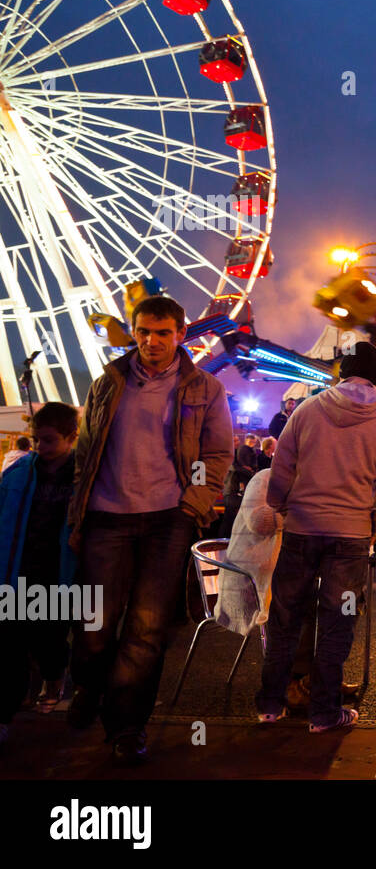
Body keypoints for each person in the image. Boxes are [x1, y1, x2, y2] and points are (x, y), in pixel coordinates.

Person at [67, 295, 233, 765]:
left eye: (162, 333)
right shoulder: (109, 383)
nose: (151, 341)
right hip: (106, 515)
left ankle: (126, 726)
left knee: (145, 629)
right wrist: (80, 505)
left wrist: (192, 504)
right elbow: (86, 449)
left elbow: (216, 454)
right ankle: (91, 684)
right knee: (94, 624)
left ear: (181, 334)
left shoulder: (204, 388)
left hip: (166, 519)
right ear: (134, 332)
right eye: (143, 332)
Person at [256, 340, 376, 734]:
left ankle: (271, 705)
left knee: (285, 618)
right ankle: (324, 713)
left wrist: (281, 503)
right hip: (350, 535)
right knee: (337, 622)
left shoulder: (307, 410)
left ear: (342, 374)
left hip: (302, 527)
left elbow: (283, 461)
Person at [0, 404, 79, 746]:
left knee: (49, 640)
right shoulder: (18, 473)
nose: (40, 448)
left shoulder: (84, 477)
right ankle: (4, 715)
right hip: (18, 573)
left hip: (60, 576)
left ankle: (54, 675)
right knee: (9, 647)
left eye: (48, 441)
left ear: (71, 438)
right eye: (36, 440)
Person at [215, 468, 282, 637]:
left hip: (282, 576)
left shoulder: (310, 483)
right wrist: (303, 512)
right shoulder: (265, 478)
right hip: (249, 581)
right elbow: (258, 521)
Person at [219, 433, 261, 539]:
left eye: (238, 440)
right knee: (230, 519)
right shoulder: (227, 454)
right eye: (235, 441)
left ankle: (226, 540)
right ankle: (225, 540)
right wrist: (250, 472)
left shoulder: (236, 454)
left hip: (232, 490)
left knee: (229, 519)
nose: (238, 443)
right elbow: (234, 468)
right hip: (230, 490)